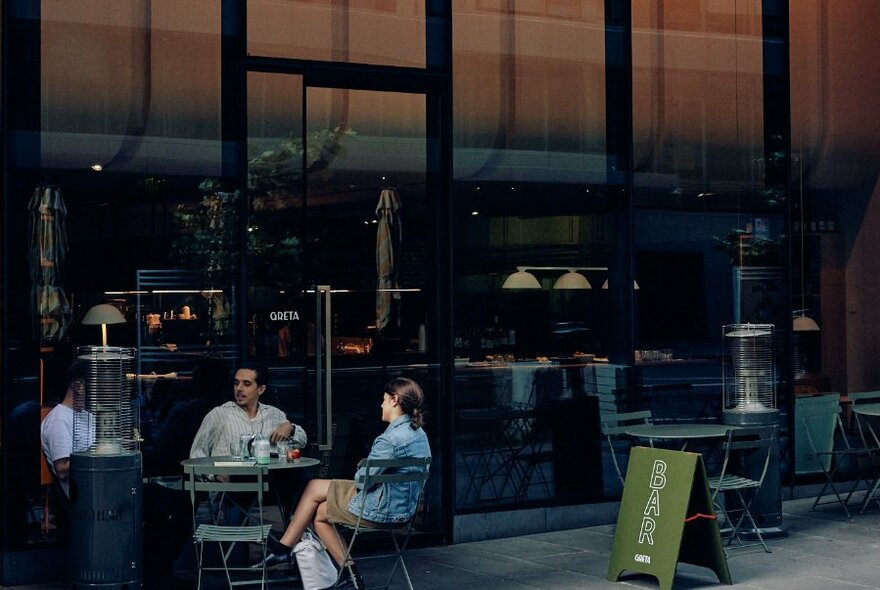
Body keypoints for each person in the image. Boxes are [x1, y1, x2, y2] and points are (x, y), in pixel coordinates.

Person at [262, 377, 431, 590]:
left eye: (384, 400)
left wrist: (362, 466)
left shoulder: (390, 439)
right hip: (403, 508)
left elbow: (363, 481)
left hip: (382, 508)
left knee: (315, 493)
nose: (381, 405)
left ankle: (285, 550)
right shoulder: (419, 435)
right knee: (320, 507)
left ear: (395, 400)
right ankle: (348, 576)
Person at [189, 362, 306, 459]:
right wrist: (213, 476)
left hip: (268, 482)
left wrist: (290, 427)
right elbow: (196, 455)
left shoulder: (275, 414)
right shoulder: (218, 415)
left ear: (261, 389)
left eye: (246, 384)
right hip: (228, 484)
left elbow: (301, 442)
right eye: (236, 383)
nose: (239, 389)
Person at [40, 359, 96, 497]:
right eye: (93, 387)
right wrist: (98, 454)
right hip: (84, 498)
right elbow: (62, 470)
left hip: (102, 486)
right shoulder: (58, 419)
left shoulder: (89, 416)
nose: (96, 392)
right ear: (78, 386)